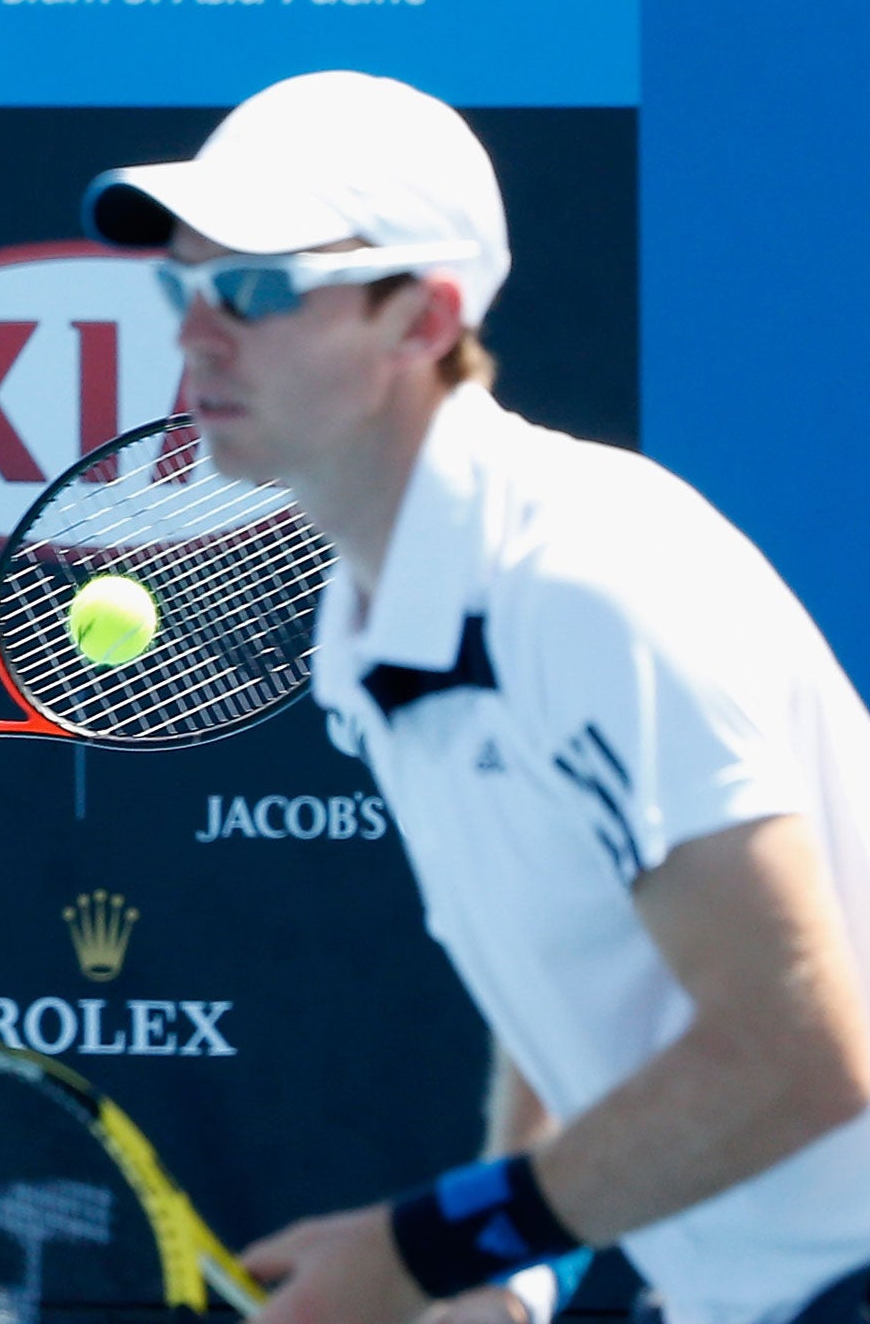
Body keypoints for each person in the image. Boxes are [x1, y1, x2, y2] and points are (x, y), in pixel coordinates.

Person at [82, 71, 870, 1324]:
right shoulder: (370, 625)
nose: (195, 331)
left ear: (422, 315)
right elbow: (557, 976)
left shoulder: (585, 583)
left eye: (256, 286)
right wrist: (512, 1266)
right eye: (182, 284)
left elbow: (805, 1054)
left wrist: (424, 1251)